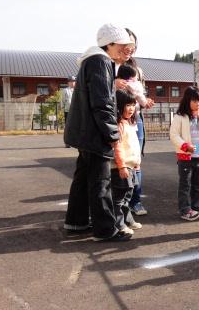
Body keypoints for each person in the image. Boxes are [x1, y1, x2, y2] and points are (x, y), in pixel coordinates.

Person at [63, 24, 134, 242]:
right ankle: (105, 230)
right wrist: (113, 135)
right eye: (122, 46)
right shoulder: (101, 61)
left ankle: (76, 222)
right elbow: (102, 103)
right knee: (100, 183)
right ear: (109, 44)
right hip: (95, 134)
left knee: (83, 178)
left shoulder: (92, 60)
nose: (126, 51)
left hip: (84, 132)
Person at [114, 28, 155, 216]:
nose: (129, 47)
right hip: (115, 119)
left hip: (135, 120)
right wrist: (113, 83)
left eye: (133, 44)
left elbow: (140, 95)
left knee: (136, 161)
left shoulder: (136, 69)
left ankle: (135, 201)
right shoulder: (106, 63)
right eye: (126, 43)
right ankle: (117, 202)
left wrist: (145, 103)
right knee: (117, 160)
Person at [170, 86, 199, 221]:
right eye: (195, 101)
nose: (198, 104)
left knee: (197, 184)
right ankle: (185, 210)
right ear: (187, 101)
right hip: (186, 157)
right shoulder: (180, 117)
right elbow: (173, 135)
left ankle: (197, 206)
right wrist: (185, 146)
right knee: (185, 184)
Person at [111, 89, 144, 235]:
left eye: (133, 105)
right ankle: (119, 224)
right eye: (127, 105)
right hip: (121, 167)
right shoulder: (119, 124)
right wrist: (122, 166)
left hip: (131, 166)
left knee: (127, 196)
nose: (131, 108)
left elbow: (133, 146)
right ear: (119, 106)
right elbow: (117, 147)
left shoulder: (128, 123)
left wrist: (136, 162)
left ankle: (127, 220)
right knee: (119, 198)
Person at [61, 76, 75, 147]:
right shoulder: (65, 90)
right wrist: (62, 108)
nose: (72, 83)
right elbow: (62, 100)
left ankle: (76, 142)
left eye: (73, 81)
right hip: (68, 111)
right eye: (71, 81)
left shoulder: (78, 90)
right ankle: (67, 142)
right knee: (68, 127)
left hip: (77, 111)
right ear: (68, 83)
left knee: (76, 126)